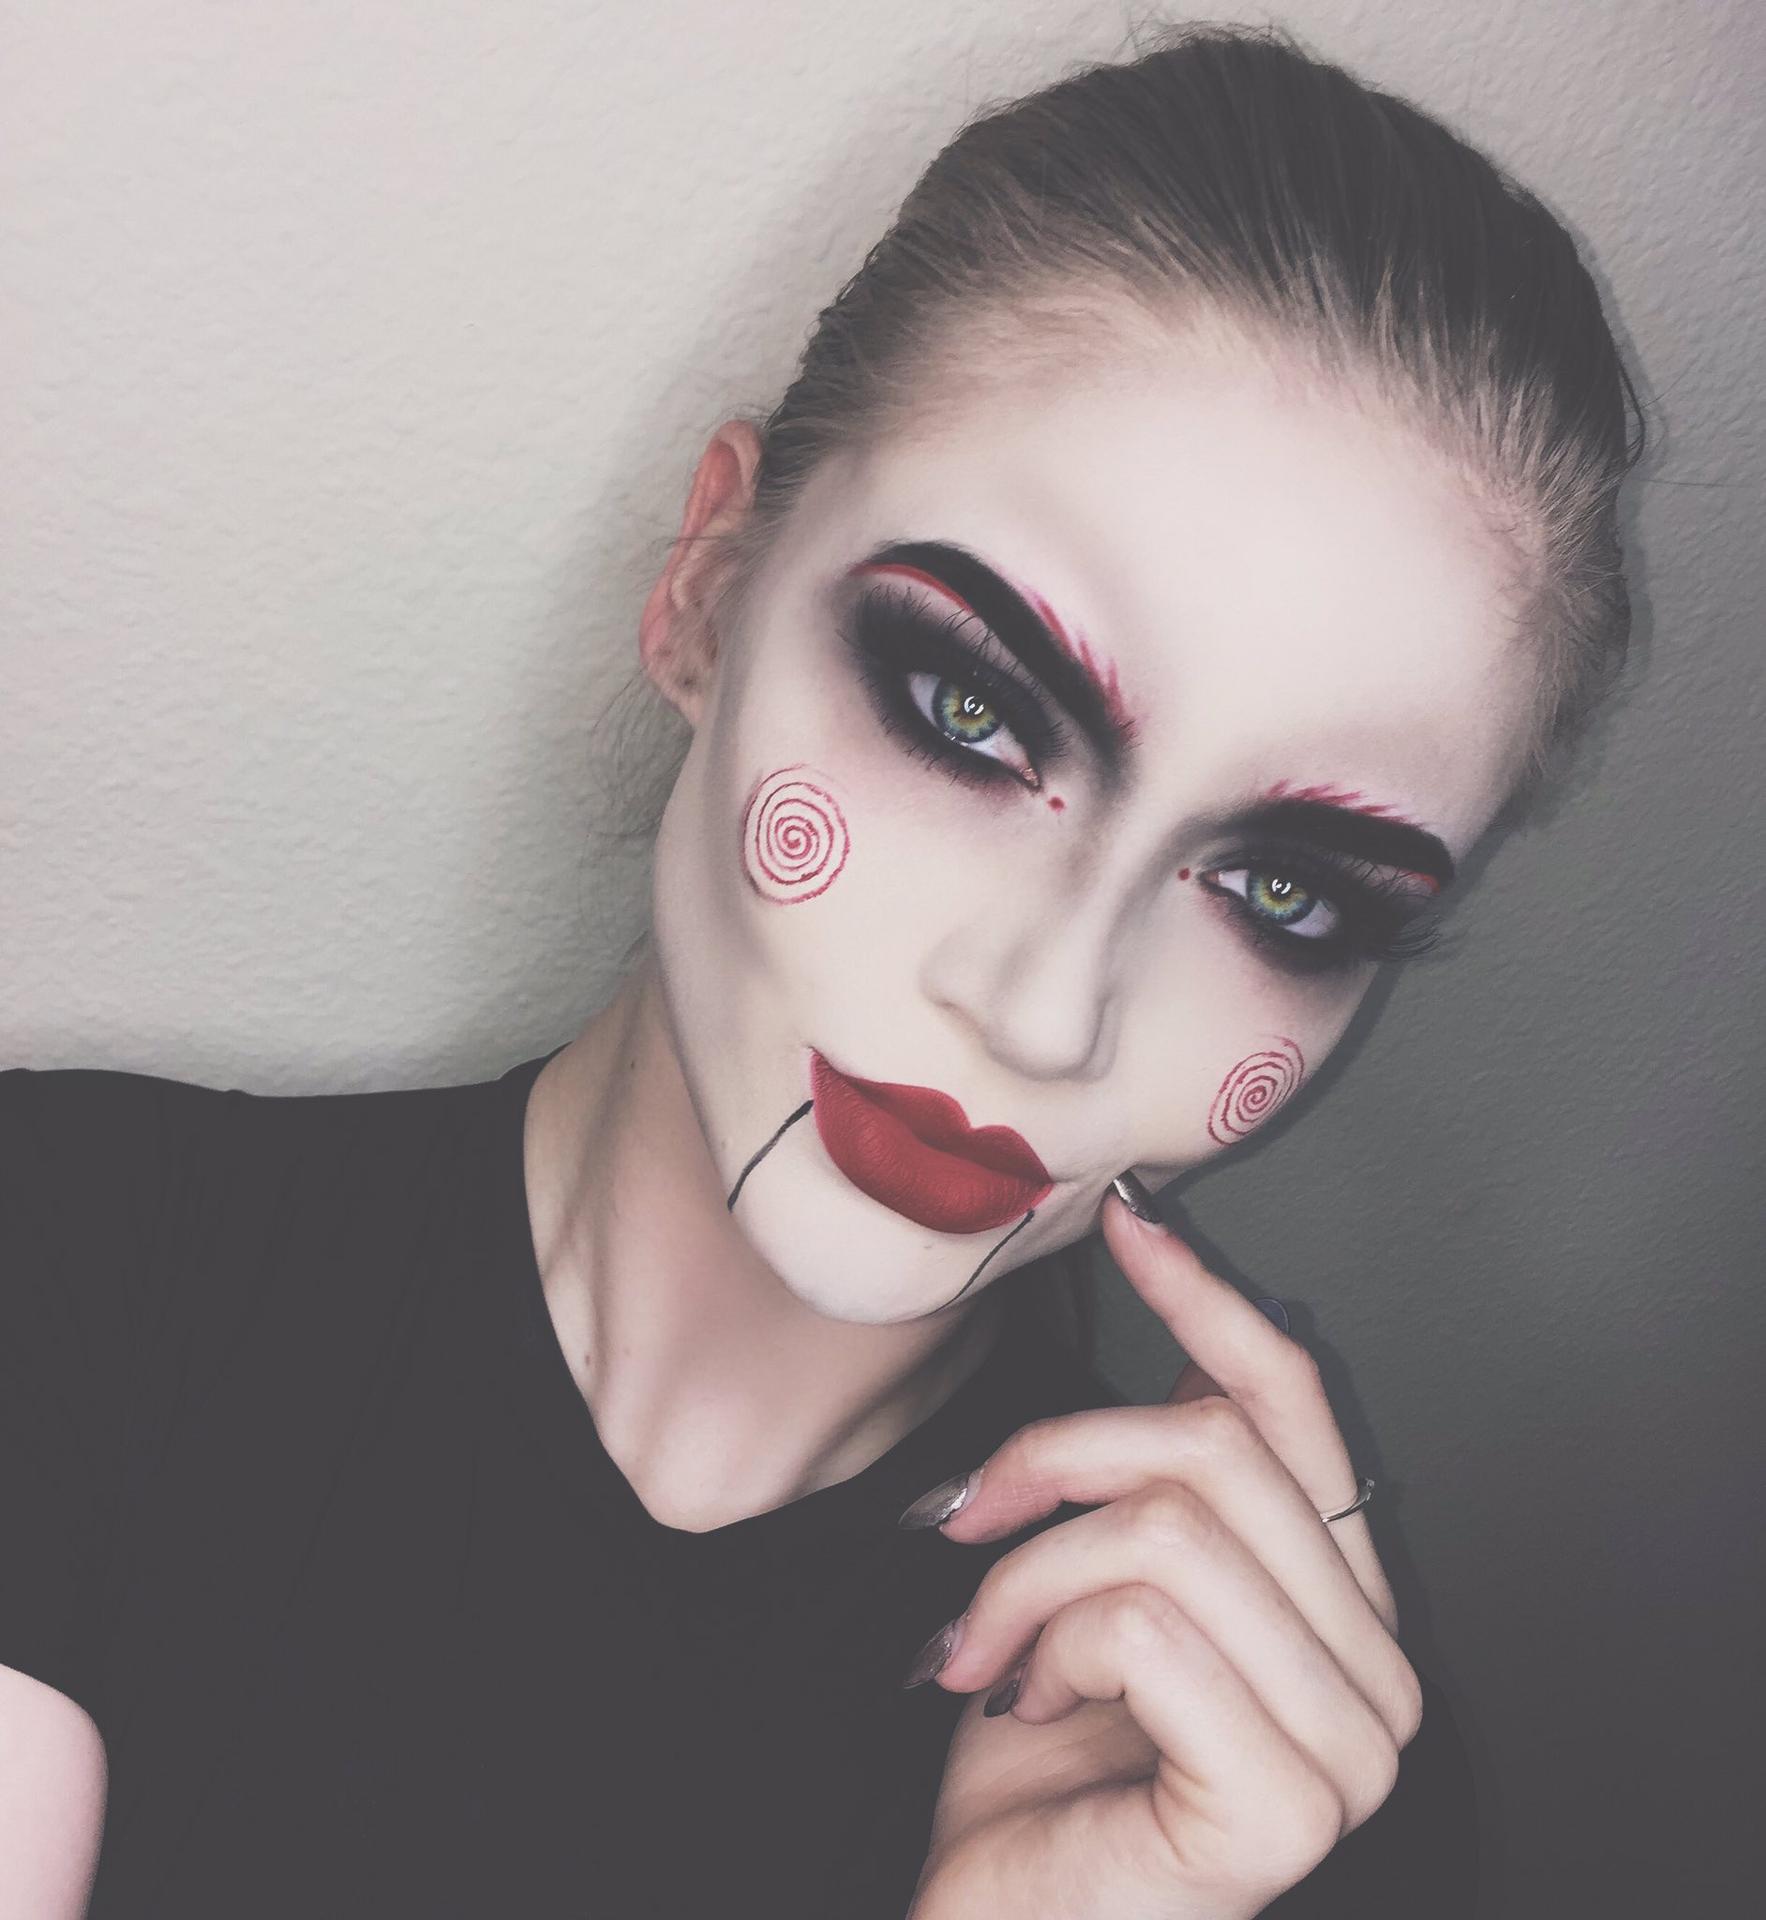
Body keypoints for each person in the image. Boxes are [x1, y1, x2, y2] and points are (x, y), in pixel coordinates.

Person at [0, 21, 1640, 1919]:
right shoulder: (64, 1262)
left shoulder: (1277, 1791)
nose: (1043, 1011)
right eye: (968, 709)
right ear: (710, 585)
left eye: (1280, 895)